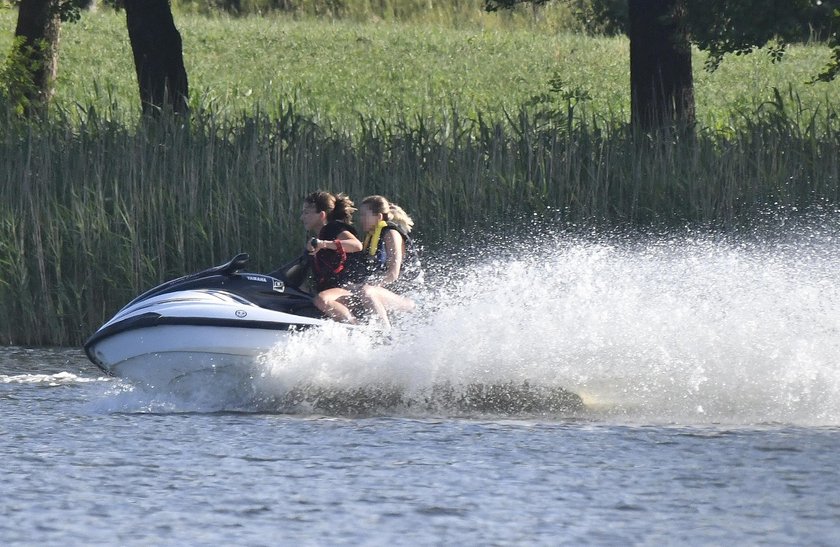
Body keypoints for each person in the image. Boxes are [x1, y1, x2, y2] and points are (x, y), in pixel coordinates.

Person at [355, 195, 421, 329]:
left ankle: (385, 335)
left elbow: (393, 275)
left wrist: (368, 285)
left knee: (367, 292)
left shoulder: (391, 234)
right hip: (390, 294)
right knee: (353, 288)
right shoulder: (372, 237)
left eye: (364, 215)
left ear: (378, 217)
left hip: (409, 298)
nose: (360, 219)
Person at [300, 191, 363, 323]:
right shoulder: (315, 239)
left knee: (322, 300)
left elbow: (356, 245)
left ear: (322, 215)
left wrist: (324, 244)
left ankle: (358, 329)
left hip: (350, 288)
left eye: (306, 213)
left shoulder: (333, 228)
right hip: (333, 290)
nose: (302, 217)